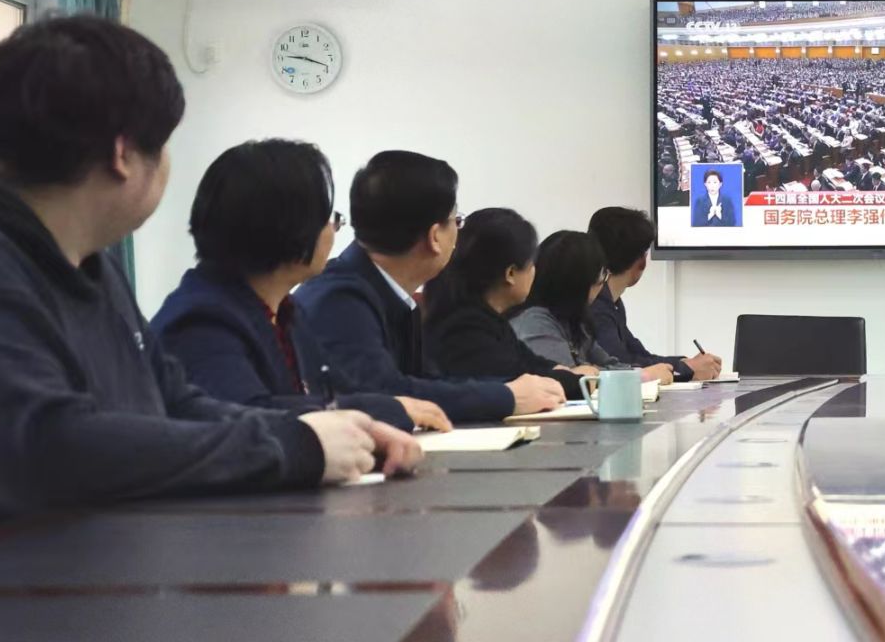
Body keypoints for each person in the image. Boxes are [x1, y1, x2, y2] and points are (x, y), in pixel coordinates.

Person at [0, 16, 421, 551]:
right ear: (123, 155)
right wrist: (295, 448)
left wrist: (331, 430)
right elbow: (47, 451)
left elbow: (172, 401)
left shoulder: (86, 260)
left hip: (82, 572)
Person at [154, 140, 451, 433]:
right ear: (289, 227)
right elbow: (252, 416)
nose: (333, 231)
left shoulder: (286, 312)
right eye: (329, 219)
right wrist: (388, 409)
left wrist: (388, 406)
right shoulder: (202, 319)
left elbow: (336, 393)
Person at [295, 151, 565, 424]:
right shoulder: (339, 299)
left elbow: (428, 382)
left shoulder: (388, 293)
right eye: (456, 221)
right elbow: (385, 395)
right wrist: (507, 397)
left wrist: (514, 391)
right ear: (435, 236)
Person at [424, 208, 592, 399]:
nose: (535, 272)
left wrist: (560, 371)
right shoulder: (464, 327)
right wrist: (580, 381)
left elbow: (531, 363)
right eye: (531, 263)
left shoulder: (489, 319)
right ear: (510, 273)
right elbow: (517, 379)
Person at [510, 230, 676, 386]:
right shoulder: (535, 322)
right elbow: (569, 381)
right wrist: (642, 377)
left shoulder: (574, 320)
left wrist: (638, 375)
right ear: (579, 282)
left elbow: (611, 364)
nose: (603, 282)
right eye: (601, 275)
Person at [587, 206, 722, 383]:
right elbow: (621, 365)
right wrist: (687, 369)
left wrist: (686, 363)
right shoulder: (597, 305)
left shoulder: (613, 302)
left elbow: (639, 355)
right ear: (641, 261)